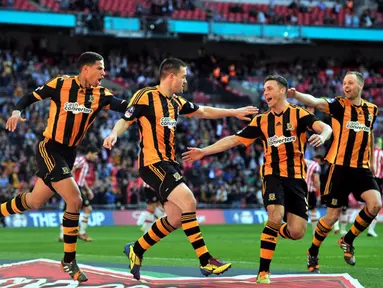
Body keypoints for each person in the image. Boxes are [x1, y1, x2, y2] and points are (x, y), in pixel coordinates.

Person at [103, 57, 258, 280]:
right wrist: (113, 134)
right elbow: (126, 120)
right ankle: (206, 261)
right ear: (171, 76)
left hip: (169, 163)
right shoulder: (145, 96)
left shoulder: (176, 102)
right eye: (183, 77)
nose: (185, 81)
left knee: (175, 218)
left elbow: (203, 111)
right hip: (152, 163)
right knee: (189, 201)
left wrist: (233, 113)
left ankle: (136, 248)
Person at [182, 75, 332, 284]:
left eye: (269, 89)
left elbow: (326, 128)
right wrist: (204, 152)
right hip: (272, 175)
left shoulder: (300, 114)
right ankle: (263, 272)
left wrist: (322, 136)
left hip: (297, 178)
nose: (265, 94)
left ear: (282, 91)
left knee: (297, 232)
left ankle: (271, 231)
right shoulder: (261, 120)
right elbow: (234, 139)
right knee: (275, 215)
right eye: (263, 90)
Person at [1, 51, 129, 282]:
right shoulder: (61, 84)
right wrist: (16, 111)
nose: (104, 73)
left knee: (35, 201)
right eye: (100, 68)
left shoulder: (101, 94)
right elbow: (30, 97)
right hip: (49, 147)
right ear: (86, 69)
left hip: (69, 153)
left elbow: (127, 108)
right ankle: (69, 261)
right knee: (75, 199)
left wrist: (147, 107)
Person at [289, 71, 382, 272]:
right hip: (338, 168)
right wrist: (296, 95)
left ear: (360, 86)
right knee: (331, 217)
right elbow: (315, 101)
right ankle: (312, 252)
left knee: (375, 204)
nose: (346, 86)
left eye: (350, 83)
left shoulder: (371, 110)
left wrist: (372, 161)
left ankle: (348, 240)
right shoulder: (339, 105)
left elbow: (370, 133)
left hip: (361, 168)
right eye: (344, 83)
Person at [59, 144, 99, 242]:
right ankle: (81, 233)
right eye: (95, 154)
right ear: (89, 153)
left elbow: (82, 179)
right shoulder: (81, 160)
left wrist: (88, 190)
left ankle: (62, 235)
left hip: (78, 186)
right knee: (86, 209)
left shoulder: (86, 163)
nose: (96, 157)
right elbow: (71, 170)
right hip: (74, 187)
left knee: (70, 211)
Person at [305, 157, 321, 235]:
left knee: (301, 210)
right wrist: (319, 191)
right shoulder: (315, 165)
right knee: (313, 209)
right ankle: (315, 231)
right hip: (310, 190)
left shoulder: (301, 161)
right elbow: (316, 180)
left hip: (299, 190)